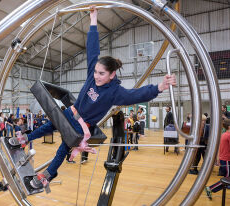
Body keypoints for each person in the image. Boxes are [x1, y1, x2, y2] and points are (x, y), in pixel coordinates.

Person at [9, 6, 176, 190]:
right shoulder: (92, 74)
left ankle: (46, 176)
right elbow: (93, 48)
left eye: (101, 74)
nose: (96, 76)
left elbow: (136, 95)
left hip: (79, 126)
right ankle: (24, 140)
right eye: (95, 72)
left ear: (112, 75)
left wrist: (160, 87)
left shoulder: (115, 92)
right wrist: (94, 20)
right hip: (70, 113)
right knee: (48, 126)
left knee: (62, 149)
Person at [205, 119, 230, 200]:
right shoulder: (228, 135)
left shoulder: (224, 134)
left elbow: (221, 147)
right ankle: (210, 189)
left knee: (227, 178)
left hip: (224, 159)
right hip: (227, 160)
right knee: (227, 178)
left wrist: (219, 158)